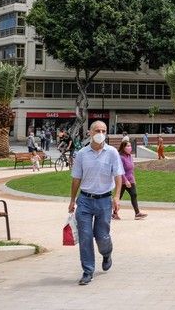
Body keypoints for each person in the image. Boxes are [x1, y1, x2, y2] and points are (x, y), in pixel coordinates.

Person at [68, 121, 124, 285]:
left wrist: (117, 196)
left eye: (103, 130)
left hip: (104, 201)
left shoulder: (112, 152)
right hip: (84, 200)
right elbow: (76, 178)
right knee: (85, 237)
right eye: (97, 130)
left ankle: (107, 253)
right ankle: (87, 271)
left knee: (102, 237)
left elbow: (118, 176)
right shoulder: (82, 154)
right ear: (90, 133)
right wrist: (72, 200)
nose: (100, 133)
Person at [115, 140, 148, 221]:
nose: (130, 147)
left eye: (130, 146)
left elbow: (131, 170)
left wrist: (133, 180)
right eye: (127, 146)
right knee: (119, 197)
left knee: (134, 195)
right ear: (123, 147)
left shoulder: (130, 156)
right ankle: (114, 213)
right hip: (123, 181)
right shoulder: (121, 157)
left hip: (131, 180)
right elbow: (120, 171)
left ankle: (137, 213)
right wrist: (125, 181)